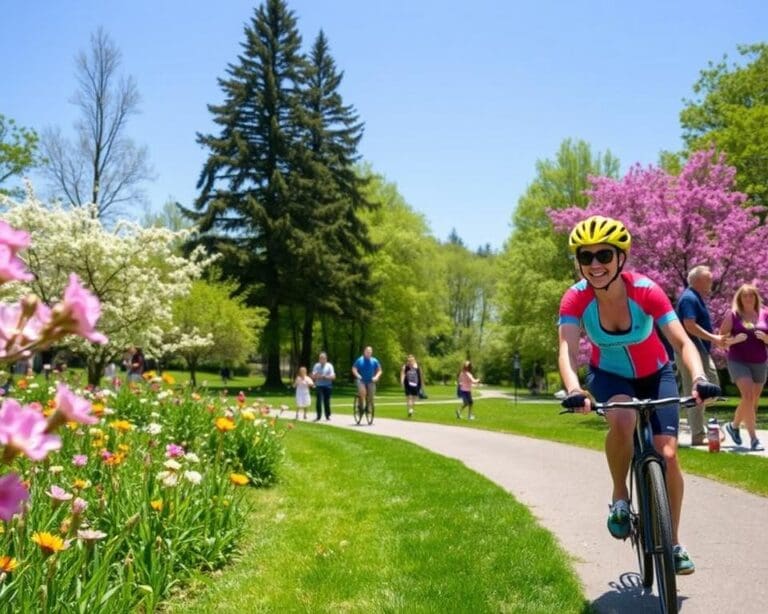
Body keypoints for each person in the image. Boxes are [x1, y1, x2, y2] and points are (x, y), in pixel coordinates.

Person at [558, 215, 720, 576]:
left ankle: (674, 543)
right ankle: (619, 496)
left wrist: (697, 378)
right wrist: (574, 388)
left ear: (621, 258)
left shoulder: (646, 290)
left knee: (668, 454)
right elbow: (567, 350)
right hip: (609, 376)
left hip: (656, 373)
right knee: (622, 417)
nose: (595, 264)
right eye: (586, 257)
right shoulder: (575, 298)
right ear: (579, 262)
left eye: (604, 255)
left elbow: (681, 341)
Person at [676, 265, 724, 445]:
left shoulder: (696, 298)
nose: (711, 282)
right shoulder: (689, 298)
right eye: (708, 279)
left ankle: (696, 422)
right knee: (696, 391)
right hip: (689, 351)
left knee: (711, 387)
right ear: (697, 280)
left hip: (700, 350)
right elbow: (689, 325)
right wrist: (714, 337)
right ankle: (697, 434)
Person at [719, 284, 767, 451]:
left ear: (755, 298)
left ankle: (733, 426)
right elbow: (720, 339)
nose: (748, 299)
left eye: (751, 296)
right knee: (747, 395)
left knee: (752, 401)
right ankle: (754, 439)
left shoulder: (764, 313)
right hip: (738, 361)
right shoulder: (733, 315)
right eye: (744, 296)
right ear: (739, 298)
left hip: (760, 362)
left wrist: (766, 340)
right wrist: (733, 340)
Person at [351, 346, 382, 415]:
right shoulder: (360, 360)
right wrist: (357, 375)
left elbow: (379, 370)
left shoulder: (374, 361)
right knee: (363, 392)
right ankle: (360, 406)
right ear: (364, 352)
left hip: (371, 380)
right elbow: (354, 368)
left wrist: (376, 376)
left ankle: (368, 407)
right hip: (361, 380)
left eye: (370, 352)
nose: (369, 353)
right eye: (367, 352)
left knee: (371, 394)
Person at [311, 352, 336, 421]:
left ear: (326, 359)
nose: (322, 360)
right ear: (319, 359)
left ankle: (327, 415)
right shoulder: (316, 366)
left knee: (326, 401)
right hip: (319, 385)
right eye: (320, 358)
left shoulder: (329, 366)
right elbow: (313, 376)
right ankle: (318, 416)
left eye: (323, 358)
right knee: (318, 400)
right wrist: (317, 376)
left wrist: (326, 377)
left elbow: (333, 376)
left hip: (328, 386)